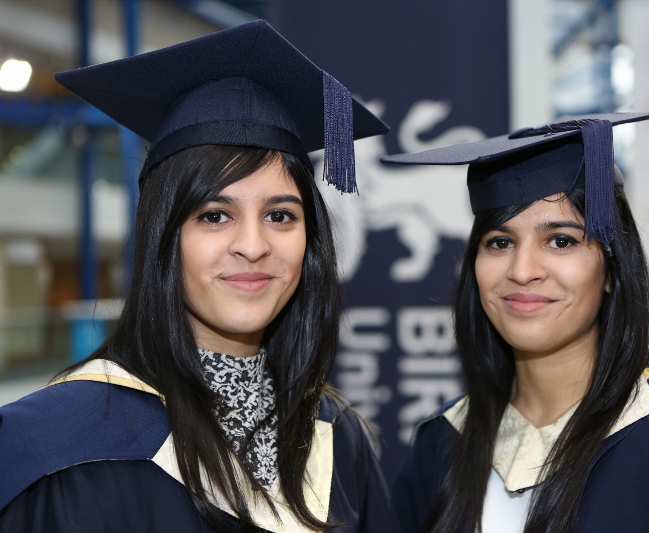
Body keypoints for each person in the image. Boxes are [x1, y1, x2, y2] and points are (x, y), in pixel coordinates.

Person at [0, 21, 395, 533]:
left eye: (281, 216)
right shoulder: (54, 443)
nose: (253, 245)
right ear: (164, 234)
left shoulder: (336, 438)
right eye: (214, 214)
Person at [381, 108, 649, 533]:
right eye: (500, 242)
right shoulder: (444, 444)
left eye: (560, 241)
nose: (522, 270)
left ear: (613, 270)